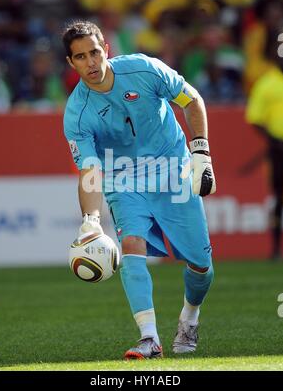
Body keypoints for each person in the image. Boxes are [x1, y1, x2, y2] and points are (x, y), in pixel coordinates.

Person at [62, 20, 216, 359]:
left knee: (202, 265)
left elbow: (191, 100)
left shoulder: (144, 69)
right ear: (71, 63)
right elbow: (90, 168)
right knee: (131, 242)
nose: (91, 63)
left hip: (171, 166)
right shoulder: (77, 112)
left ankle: (190, 317)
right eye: (81, 57)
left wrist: (201, 152)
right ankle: (149, 338)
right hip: (122, 177)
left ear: (106, 49)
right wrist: (90, 218)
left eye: (95, 52)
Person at [246, 45, 283, 261]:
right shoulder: (267, 83)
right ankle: (276, 247)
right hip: (279, 148)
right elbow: (255, 118)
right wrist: (274, 140)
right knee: (278, 197)